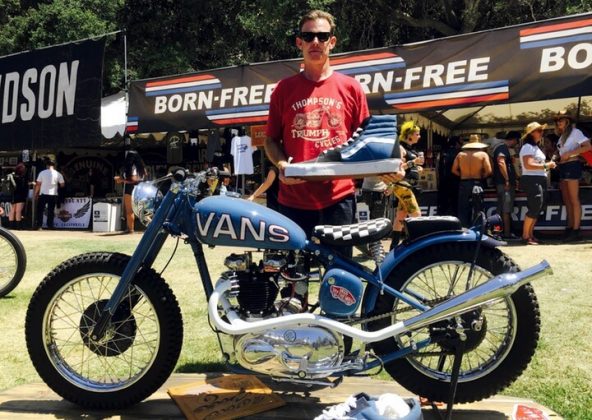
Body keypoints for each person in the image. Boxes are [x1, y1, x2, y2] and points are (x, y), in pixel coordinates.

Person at [265, 10, 404, 257]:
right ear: (299, 42)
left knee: (339, 272)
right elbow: (270, 140)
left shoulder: (350, 87)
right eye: (308, 36)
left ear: (332, 41)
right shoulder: (284, 89)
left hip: (338, 199)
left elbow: (368, 140)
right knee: (292, 275)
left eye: (322, 36)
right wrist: (282, 164)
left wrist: (391, 161)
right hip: (293, 200)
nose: (315, 42)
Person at [554, 110, 592, 242]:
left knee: (574, 199)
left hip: (572, 165)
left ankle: (576, 230)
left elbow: (588, 147)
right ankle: (570, 228)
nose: (558, 122)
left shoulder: (576, 132)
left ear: (567, 121)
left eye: (561, 119)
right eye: (557, 120)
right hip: (564, 167)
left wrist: (570, 154)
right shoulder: (562, 136)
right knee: (567, 200)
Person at [388, 121, 424, 249]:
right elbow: (397, 167)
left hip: (407, 185)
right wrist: (414, 162)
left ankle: (393, 246)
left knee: (400, 216)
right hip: (402, 185)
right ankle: (418, 245)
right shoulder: (401, 148)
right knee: (416, 215)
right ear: (409, 135)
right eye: (417, 134)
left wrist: (417, 169)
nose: (419, 136)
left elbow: (409, 166)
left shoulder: (410, 149)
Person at [519, 122, 557, 245]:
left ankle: (530, 235)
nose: (542, 133)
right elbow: (528, 165)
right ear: (531, 133)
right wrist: (547, 165)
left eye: (542, 130)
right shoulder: (527, 147)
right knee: (535, 206)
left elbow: (534, 164)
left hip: (539, 178)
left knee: (538, 207)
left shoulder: (535, 147)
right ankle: (525, 236)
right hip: (532, 179)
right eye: (539, 131)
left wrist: (548, 166)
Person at [451, 134, 492, 227]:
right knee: (478, 208)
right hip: (477, 182)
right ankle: (478, 228)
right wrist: (482, 176)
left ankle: (463, 228)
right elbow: (489, 171)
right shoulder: (483, 154)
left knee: (463, 208)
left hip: (464, 183)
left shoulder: (460, 154)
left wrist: (462, 175)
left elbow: (453, 170)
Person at [491, 131, 520, 239]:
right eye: (517, 141)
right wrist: (507, 180)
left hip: (502, 183)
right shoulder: (502, 148)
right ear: (514, 139)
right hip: (504, 184)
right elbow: (501, 162)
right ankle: (506, 234)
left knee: (501, 209)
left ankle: (498, 232)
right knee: (506, 210)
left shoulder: (502, 148)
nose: (517, 144)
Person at [114, 149, 145, 233]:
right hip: (140, 189)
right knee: (141, 211)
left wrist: (121, 180)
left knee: (129, 211)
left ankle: (130, 229)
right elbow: (141, 177)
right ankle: (133, 228)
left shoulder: (133, 167)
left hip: (131, 189)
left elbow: (133, 179)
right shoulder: (141, 167)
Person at [34, 159, 65, 230]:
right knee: (51, 210)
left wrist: (36, 193)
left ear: (47, 165)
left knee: (40, 210)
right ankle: (50, 225)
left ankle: (39, 226)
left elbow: (38, 184)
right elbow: (62, 185)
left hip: (43, 194)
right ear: (54, 166)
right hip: (53, 194)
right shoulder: (58, 174)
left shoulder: (42, 173)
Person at [8, 163, 28, 230]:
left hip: (13, 195)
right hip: (20, 195)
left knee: (12, 211)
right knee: (18, 211)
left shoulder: (13, 176)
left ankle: (11, 226)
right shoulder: (23, 177)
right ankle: (18, 226)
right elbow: (24, 186)